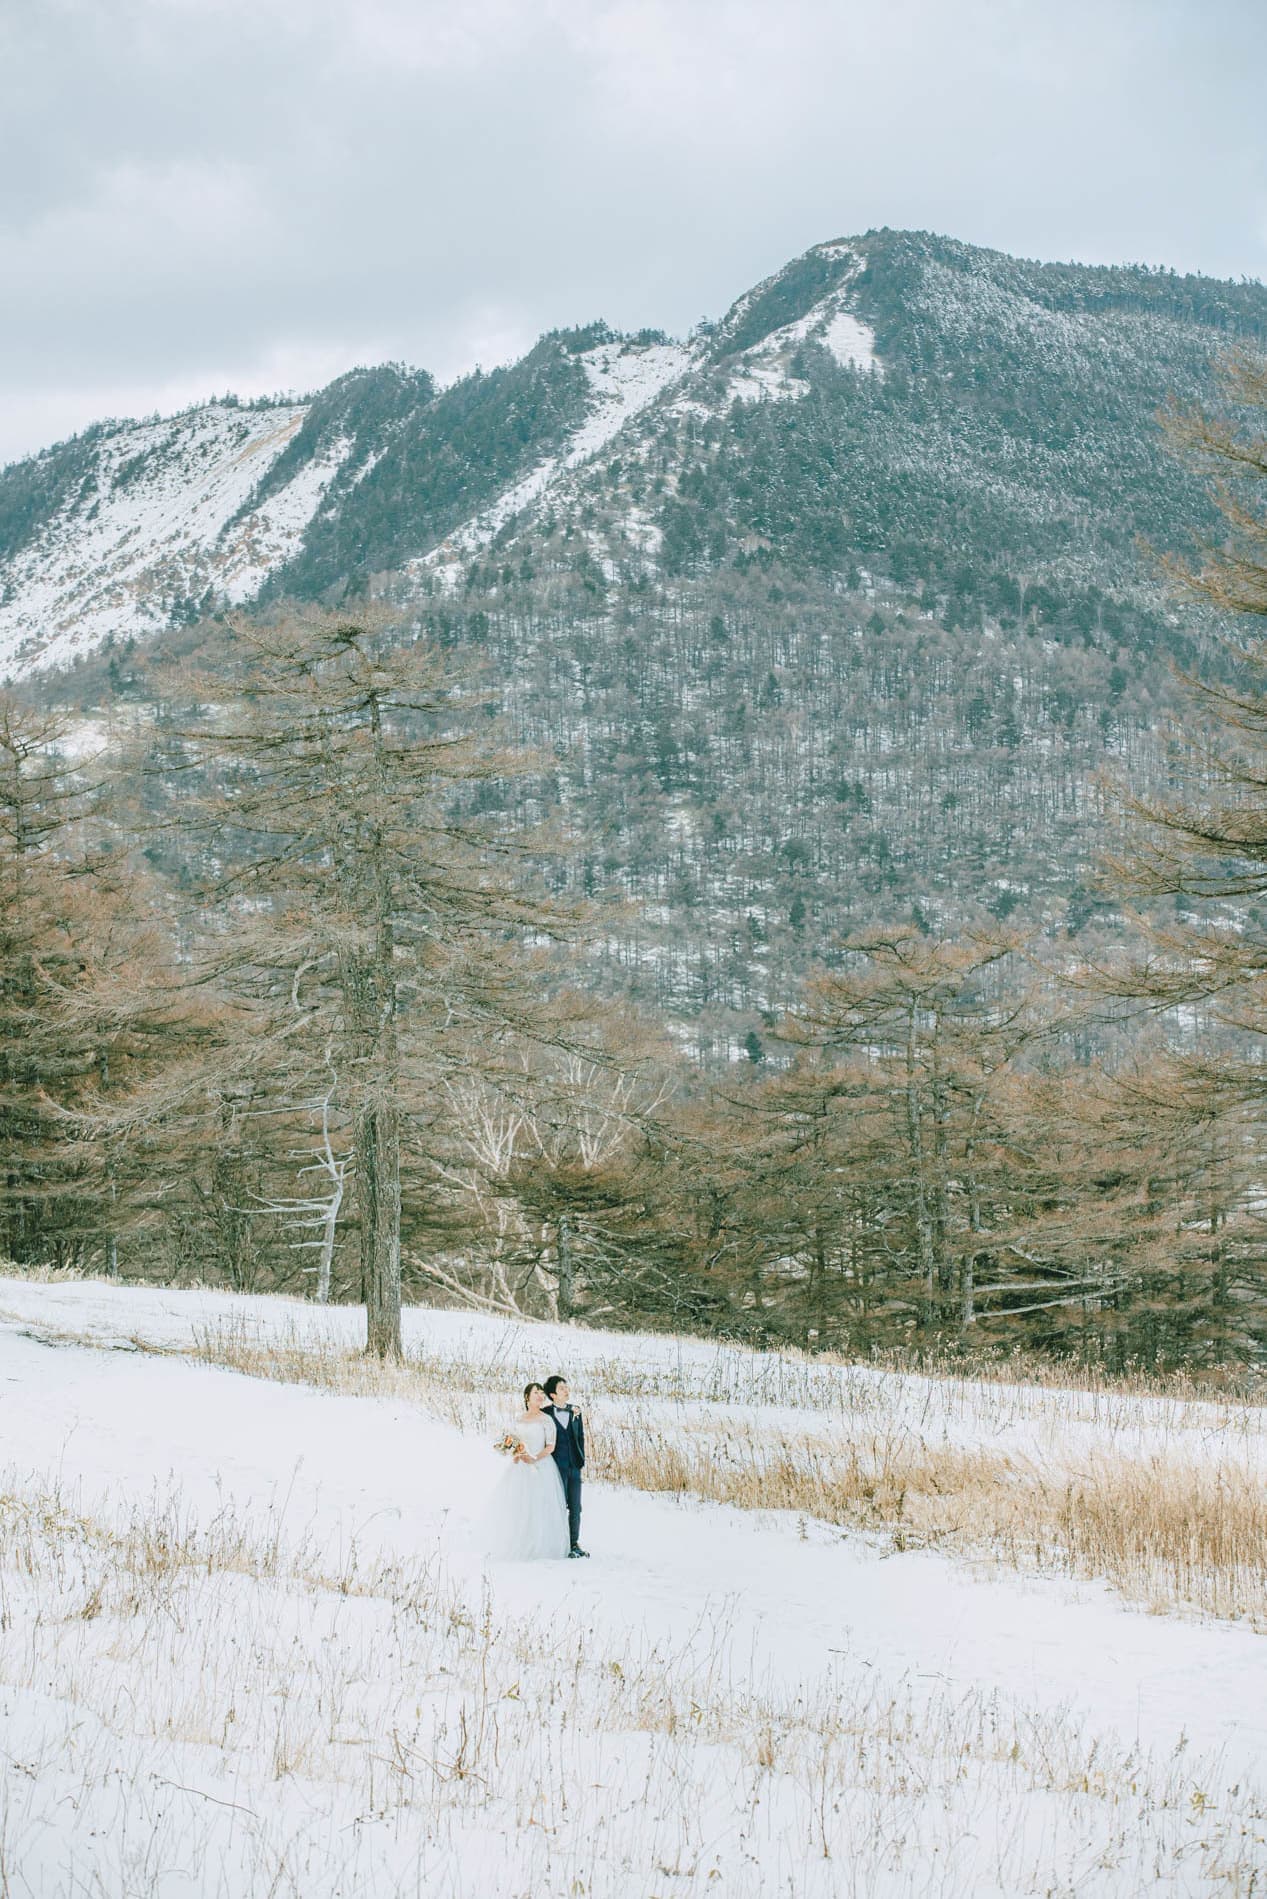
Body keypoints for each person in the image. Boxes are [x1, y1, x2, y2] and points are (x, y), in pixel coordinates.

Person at [483, 1382, 570, 1561]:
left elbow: (551, 1446)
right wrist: (514, 1453)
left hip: (542, 1466)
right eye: (536, 1393)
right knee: (519, 1505)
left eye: (541, 1393)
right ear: (527, 1397)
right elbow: (516, 1441)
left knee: (540, 1505)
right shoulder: (519, 1419)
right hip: (520, 1466)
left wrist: (535, 1458)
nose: (540, 1396)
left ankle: (542, 1546)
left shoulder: (546, 1420)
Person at [543, 1374, 588, 1557]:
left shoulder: (575, 1411)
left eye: (566, 1387)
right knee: (558, 1506)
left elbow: (580, 1437)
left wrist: (581, 1458)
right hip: (555, 1468)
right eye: (562, 1388)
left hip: (574, 1466)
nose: (566, 1390)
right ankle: (558, 1543)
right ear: (553, 1394)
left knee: (576, 1507)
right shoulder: (545, 1414)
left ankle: (574, 1543)